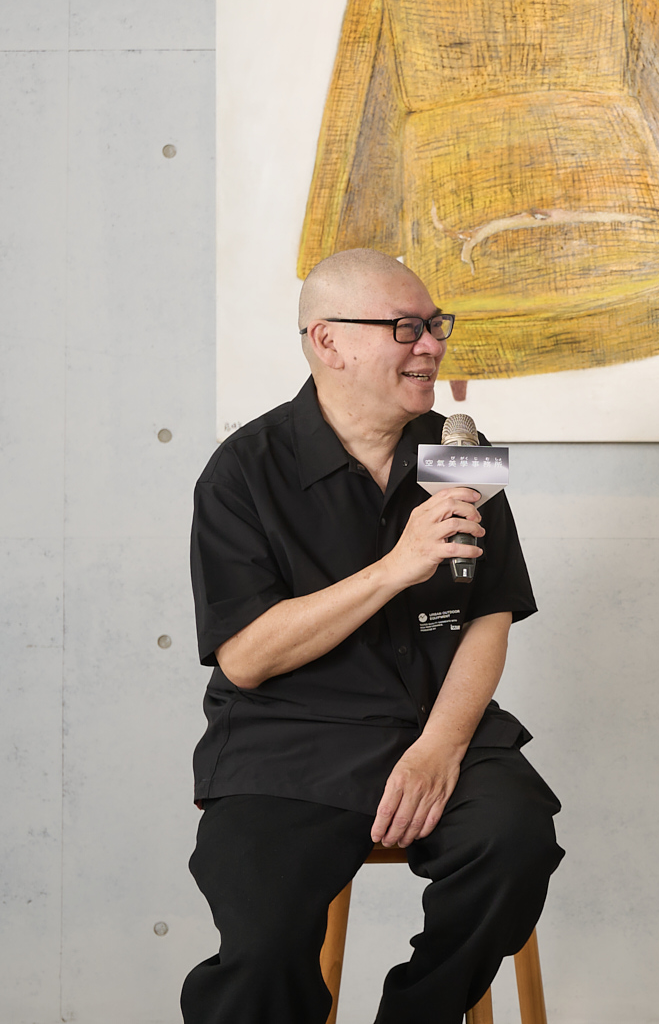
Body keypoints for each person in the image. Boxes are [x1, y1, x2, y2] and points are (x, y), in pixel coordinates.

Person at [181, 249, 562, 1024]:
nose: (431, 344)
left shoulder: (458, 446)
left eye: (435, 325)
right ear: (328, 341)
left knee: (514, 843)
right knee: (263, 946)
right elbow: (246, 657)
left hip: (435, 724)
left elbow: (489, 613)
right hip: (286, 741)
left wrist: (441, 746)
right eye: (405, 327)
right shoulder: (242, 470)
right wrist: (396, 567)